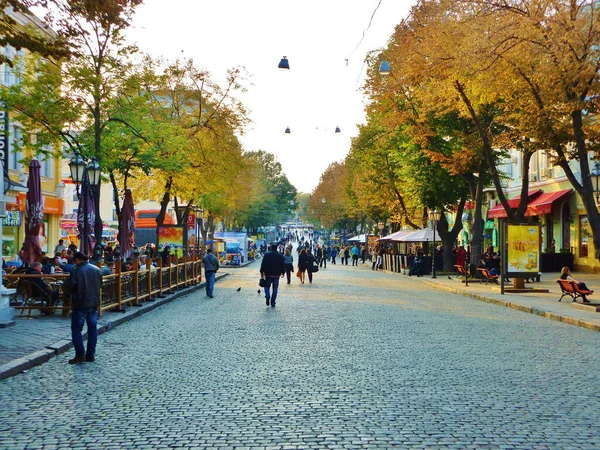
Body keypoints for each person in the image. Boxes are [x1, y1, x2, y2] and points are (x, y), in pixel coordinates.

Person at [66, 252, 102, 364]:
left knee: (76, 330)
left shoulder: (75, 270)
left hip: (80, 303)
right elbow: (100, 285)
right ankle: (90, 354)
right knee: (92, 329)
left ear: (77, 260)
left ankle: (80, 354)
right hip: (93, 303)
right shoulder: (97, 269)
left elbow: (71, 286)